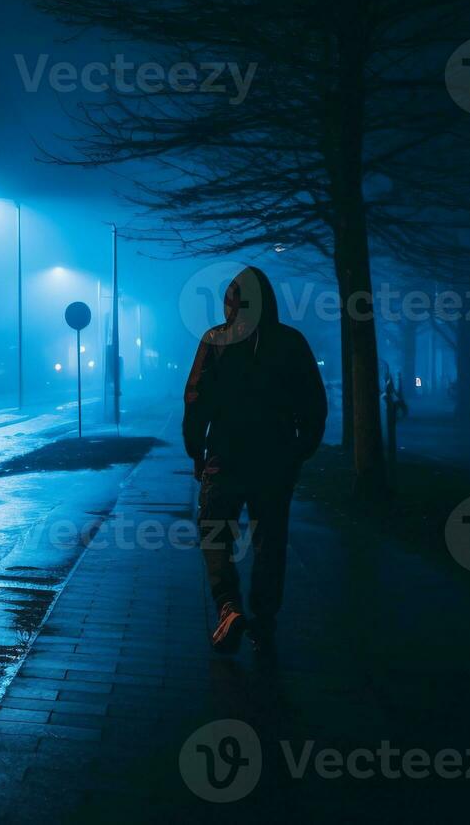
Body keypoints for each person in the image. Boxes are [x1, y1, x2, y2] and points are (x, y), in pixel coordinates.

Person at [183, 265, 327, 653]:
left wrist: (197, 451)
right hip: (275, 460)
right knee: (270, 539)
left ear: (229, 302)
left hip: (225, 457)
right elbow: (313, 404)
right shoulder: (291, 342)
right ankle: (264, 621)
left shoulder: (216, 340)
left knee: (215, 532)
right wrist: (299, 451)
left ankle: (228, 605)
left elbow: (197, 398)